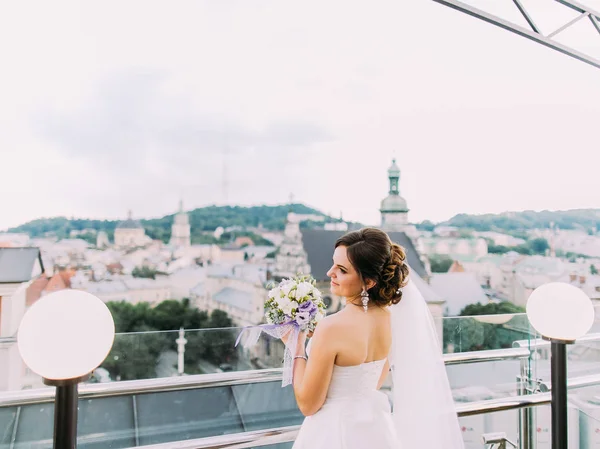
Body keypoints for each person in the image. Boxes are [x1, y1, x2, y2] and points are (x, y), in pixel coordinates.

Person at [287, 228, 464, 449]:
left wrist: (295, 347)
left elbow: (307, 404)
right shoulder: (391, 319)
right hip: (373, 428)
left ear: (369, 282)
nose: (330, 272)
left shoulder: (331, 327)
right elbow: (372, 382)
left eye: (342, 270)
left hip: (333, 431)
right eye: (334, 263)